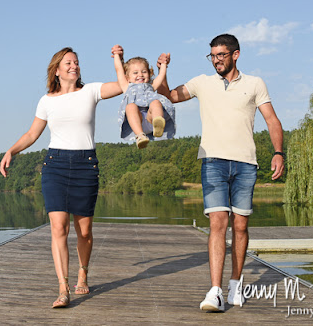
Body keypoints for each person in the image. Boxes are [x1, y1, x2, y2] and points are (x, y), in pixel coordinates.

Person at [157, 33, 284, 312]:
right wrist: (163, 70)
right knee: (218, 224)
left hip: (245, 164)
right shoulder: (202, 83)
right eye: (212, 56)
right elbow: (168, 95)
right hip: (212, 161)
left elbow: (272, 119)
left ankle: (236, 284)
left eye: (221, 55)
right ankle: (215, 291)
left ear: (235, 55)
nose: (216, 61)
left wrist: (278, 153)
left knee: (240, 226)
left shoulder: (254, 84)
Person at [0, 46, 123, 308]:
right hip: (55, 165)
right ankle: (63, 287)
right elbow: (32, 134)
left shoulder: (90, 91)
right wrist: (11, 150)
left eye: (76, 62)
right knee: (58, 228)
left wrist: (118, 60)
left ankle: (83, 272)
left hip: (85, 164)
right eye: (68, 63)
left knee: (85, 231)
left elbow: (123, 86)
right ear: (57, 70)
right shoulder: (47, 101)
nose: (74, 66)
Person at [113, 50, 176, 149]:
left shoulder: (151, 86)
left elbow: (161, 75)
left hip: (150, 120)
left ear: (149, 74)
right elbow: (119, 70)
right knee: (130, 106)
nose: (140, 75)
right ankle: (140, 136)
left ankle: (158, 122)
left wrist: (164, 64)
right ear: (127, 77)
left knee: (155, 102)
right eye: (135, 73)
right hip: (137, 123)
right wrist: (116, 55)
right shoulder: (127, 87)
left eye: (144, 72)